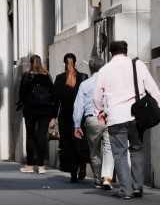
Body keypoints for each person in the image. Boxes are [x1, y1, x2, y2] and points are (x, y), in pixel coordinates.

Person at [93, 40, 160, 200]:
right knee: (136, 149)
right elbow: (151, 86)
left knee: (119, 154)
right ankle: (137, 187)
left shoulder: (105, 70)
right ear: (126, 51)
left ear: (111, 52)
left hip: (115, 117)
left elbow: (97, 96)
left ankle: (125, 190)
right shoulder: (137, 65)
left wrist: (100, 111)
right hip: (136, 116)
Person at [72, 57, 113, 190]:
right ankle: (107, 177)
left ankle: (97, 178)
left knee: (94, 150)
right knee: (108, 149)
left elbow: (78, 106)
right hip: (108, 118)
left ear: (90, 68)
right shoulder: (108, 83)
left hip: (92, 119)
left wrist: (77, 125)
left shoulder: (85, 84)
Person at [53, 53, 88, 182]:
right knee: (74, 144)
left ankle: (77, 169)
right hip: (73, 116)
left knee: (73, 144)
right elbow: (56, 100)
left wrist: (53, 117)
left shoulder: (64, 78)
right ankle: (78, 168)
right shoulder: (78, 77)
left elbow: (56, 100)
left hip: (72, 116)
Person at [18, 54, 56, 173]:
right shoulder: (47, 76)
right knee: (42, 136)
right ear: (41, 63)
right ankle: (41, 166)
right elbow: (53, 94)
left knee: (30, 136)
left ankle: (30, 165)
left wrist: (23, 104)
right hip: (45, 110)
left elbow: (22, 94)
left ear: (31, 63)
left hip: (30, 110)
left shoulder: (27, 76)